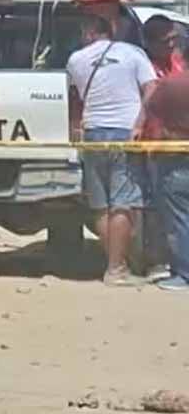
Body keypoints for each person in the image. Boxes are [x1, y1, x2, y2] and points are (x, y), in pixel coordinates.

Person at [67, 15, 157, 287]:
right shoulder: (133, 53)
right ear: (111, 31)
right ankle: (116, 269)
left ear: (89, 32)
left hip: (93, 133)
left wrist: (76, 126)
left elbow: (74, 98)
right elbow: (151, 88)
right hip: (124, 132)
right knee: (123, 203)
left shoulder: (75, 59)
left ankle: (116, 265)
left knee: (101, 205)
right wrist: (140, 123)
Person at [139, 15, 185, 281]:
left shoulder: (178, 63)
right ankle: (157, 259)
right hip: (154, 147)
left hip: (179, 146)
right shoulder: (145, 67)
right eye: (165, 40)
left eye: (174, 39)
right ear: (150, 42)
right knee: (154, 207)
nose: (171, 44)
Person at [143, 70, 189, 291]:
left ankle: (185, 274)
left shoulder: (170, 84)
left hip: (175, 157)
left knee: (180, 219)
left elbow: (152, 112)